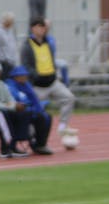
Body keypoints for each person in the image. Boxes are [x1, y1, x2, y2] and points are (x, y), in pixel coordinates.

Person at [21, 17, 77, 147]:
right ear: (33, 28)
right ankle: (32, 135)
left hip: (52, 82)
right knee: (34, 110)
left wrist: (53, 73)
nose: (42, 29)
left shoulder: (49, 42)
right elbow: (26, 65)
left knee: (69, 98)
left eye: (43, 27)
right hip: (38, 85)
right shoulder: (27, 45)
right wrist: (36, 76)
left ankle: (63, 125)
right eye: (39, 26)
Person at [5, 66, 53, 154]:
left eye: (25, 75)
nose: (25, 77)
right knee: (31, 116)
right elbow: (16, 100)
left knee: (46, 116)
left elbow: (34, 99)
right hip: (15, 112)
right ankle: (14, 144)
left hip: (29, 110)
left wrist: (39, 110)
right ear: (15, 77)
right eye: (22, 76)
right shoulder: (10, 86)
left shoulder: (26, 85)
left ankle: (40, 144)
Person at [0, 12, 19, 78]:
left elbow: (13, 45)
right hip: (4, 63)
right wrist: (3, 59)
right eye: (10, 22)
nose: (12, 24)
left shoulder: (11, 31)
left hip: (12, 61)